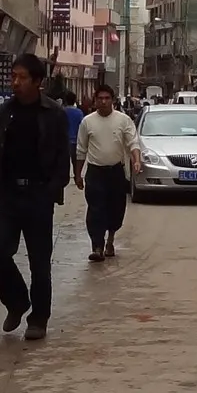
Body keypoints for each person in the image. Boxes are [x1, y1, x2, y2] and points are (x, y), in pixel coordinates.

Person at [0, 52, 70, 340]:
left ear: (38, 81)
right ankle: (17, 302)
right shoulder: (4, 112)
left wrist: (51, 190)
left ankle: (38, 318)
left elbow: (60, 157)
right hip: (8, 195)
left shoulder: (54, 114)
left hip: (38, 195)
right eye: (13, 77)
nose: (15, 83)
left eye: (21, 78)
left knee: (40, 263)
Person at [74, 80, 140, 261]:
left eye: (107, 98)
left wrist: (136, 161)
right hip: (95, 173)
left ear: (113, 101)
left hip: (116, 173)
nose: (103, 102)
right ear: (95, 101)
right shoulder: (87, 122)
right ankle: (97, 246)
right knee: (95, 209)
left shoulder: (123, 120)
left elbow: (133, 142)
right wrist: (77, 174)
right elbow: (81, 149)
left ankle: (110, 238)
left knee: (116, 208)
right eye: (100, 98)